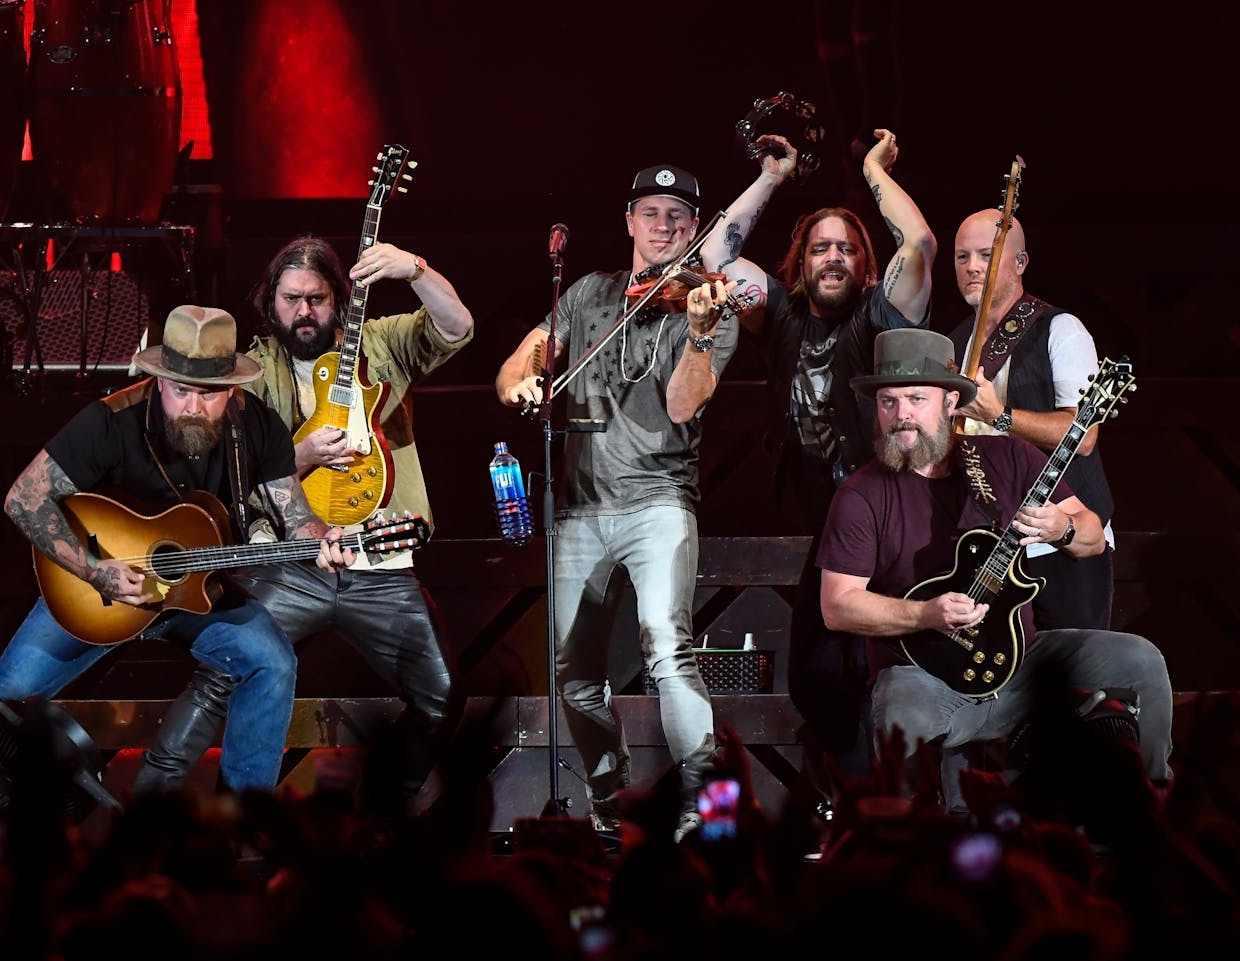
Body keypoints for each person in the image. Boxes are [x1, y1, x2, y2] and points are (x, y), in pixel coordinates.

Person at [0, 305, 354, 860]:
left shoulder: (256, 426)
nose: (193, 405)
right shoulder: (109, 421)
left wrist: (322, 540)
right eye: (180, 390)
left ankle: (243, 831)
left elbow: (293, 514)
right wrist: (96, 569)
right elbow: (24, 499)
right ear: (158, 380)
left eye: (208, 393)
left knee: (272, 661)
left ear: (232, 390)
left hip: (195, 591)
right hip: (99, 592)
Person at [132, 236, 473, 814]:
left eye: (316, 298)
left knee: (442, 696)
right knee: (220, 675)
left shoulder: (383, 344)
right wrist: (304, 453)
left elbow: (457, 326)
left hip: (381, 563)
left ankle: (375, 824)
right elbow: (222, 465)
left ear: (338, 299)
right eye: (291, 299)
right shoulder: (255, 368)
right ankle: (145, 816)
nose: (304, 312)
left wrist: (414, 267)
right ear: (272, 301)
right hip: (294, 564)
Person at [815, 327, 1171, 816]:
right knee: (899, 710)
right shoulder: (861, 494)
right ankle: (905, 847)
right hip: (924, 675)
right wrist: (925, 614)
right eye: (888, 402)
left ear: (949, 402)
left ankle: (1154, 807)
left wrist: (1061, 528)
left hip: (1022, 665)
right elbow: (837, 606)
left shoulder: (1006, 457)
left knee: (1140, 659)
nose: (902, 416)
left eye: (916, 399)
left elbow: (1090, 538)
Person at [496, 163, 738, 842]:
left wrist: (697, 333)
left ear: (695, 229)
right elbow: (524, 358)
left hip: (660, 502)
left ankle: (704, 809)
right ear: (628, 221)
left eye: (679, 217)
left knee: (667, 648)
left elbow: (683, 402)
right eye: (651, 213)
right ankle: (607, 799)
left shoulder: (711, 305)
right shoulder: (587, 295)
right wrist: (522, 384)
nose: (665, 226)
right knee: (574, 673)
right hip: (579, 508)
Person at [698, 128, 936, 792]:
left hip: (893, 527)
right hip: (831, 533)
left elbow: (918, 245)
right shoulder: (779, 320)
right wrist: (774, 176)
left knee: (875, 671)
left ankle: (891, 798)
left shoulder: (879, 315)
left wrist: (872, 171)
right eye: (819, 247)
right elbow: (713, 255)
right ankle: (854, 792)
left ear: (864, 265)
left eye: (847, 248)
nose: (833, 257)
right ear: (798, 262)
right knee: (815, 673)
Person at [948, 210, 1116, 631]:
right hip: (985, 550)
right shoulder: (955, 342)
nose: (972, 267)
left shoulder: (1060, 329)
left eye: (986, 254)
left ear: (1020, 263)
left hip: (1061, 539)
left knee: (1069, 683)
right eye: (961, 256)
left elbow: (1085, 435)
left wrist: (999, 416)